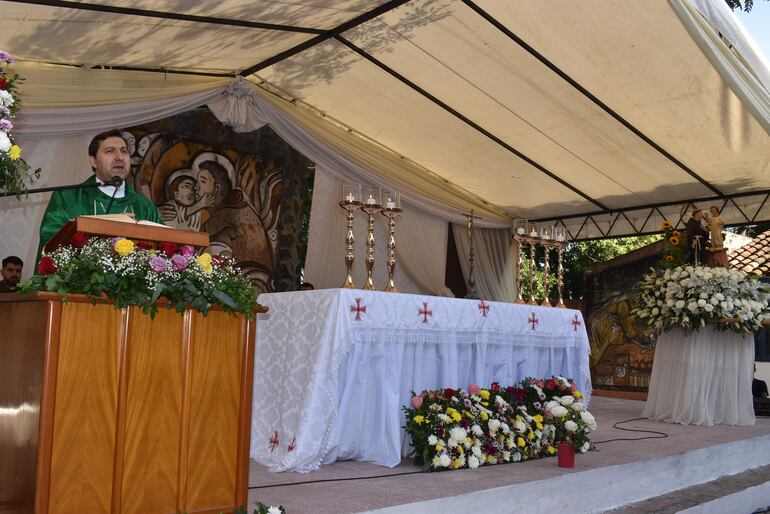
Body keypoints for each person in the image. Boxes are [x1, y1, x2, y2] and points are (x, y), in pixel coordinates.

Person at [36, 130, 162, 262]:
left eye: (124, 151)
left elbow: (166, 245)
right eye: (110, 151)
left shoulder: (145, 207)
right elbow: (51, 236)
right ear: (93, 161)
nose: (119, 157)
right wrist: (106, 224)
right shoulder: (67, 198)